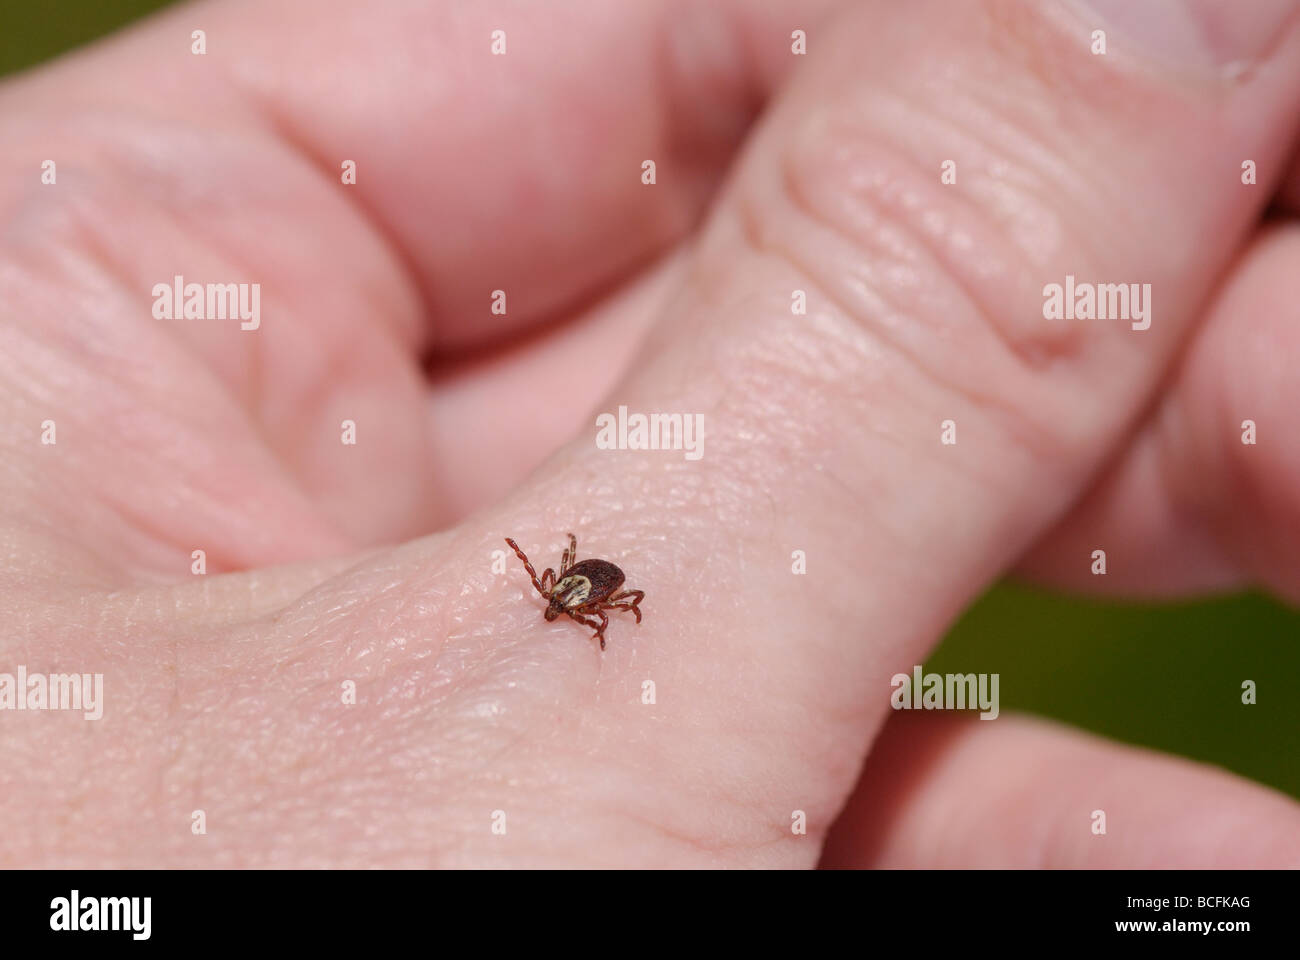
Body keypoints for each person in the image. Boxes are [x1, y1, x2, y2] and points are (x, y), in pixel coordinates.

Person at [1, 0, 1298, 867]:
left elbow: (586, 583)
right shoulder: (581, 596)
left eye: (570, 590)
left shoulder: (580, 590)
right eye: (571, 593)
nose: (566, 594)